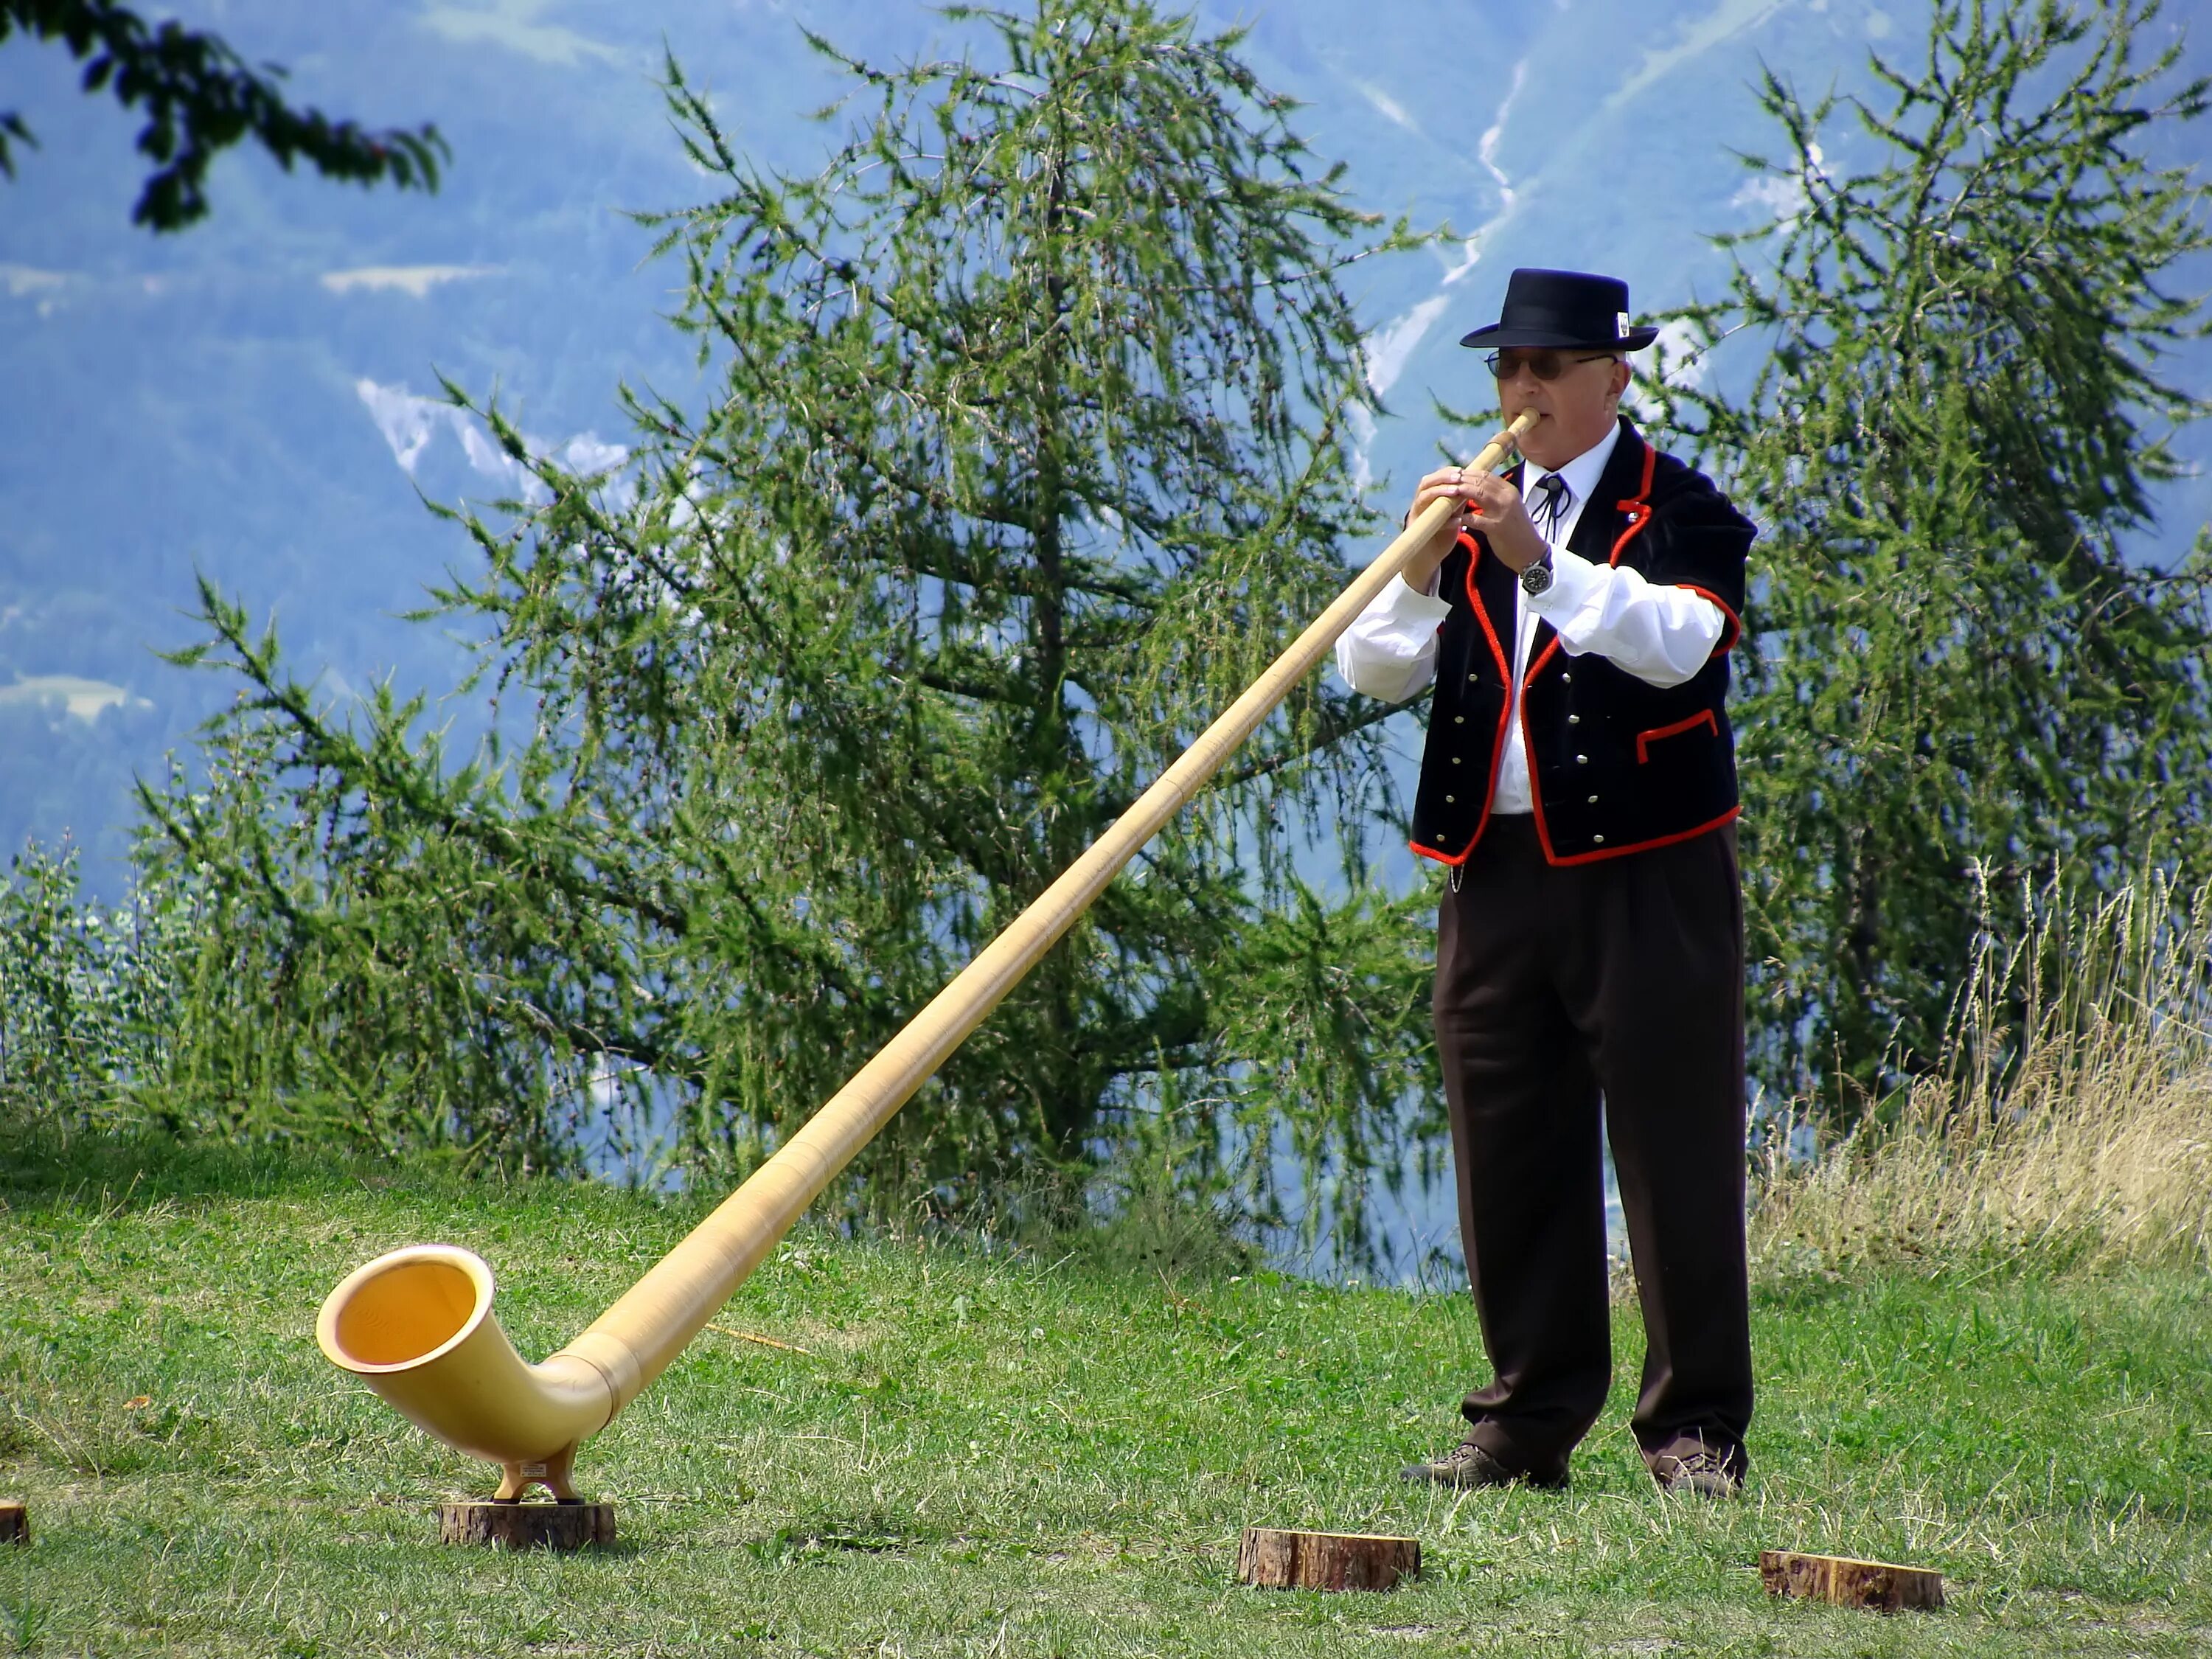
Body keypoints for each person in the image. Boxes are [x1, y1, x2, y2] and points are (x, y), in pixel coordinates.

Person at [1335, 268, 1756, 1498]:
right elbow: (1373, 672)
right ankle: (1524, 1423)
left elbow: (1680, 647)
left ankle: (1696, 1432)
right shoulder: (1472, 513)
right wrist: (1419, 568)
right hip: (1494, 871)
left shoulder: (1681, 505)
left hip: (1650, 876)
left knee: (1673, 1149)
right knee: (1507, 1142)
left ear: (1612, 377)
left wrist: (1539, 563)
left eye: (1548, 369)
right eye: (1508, 370)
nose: (1522, 393)